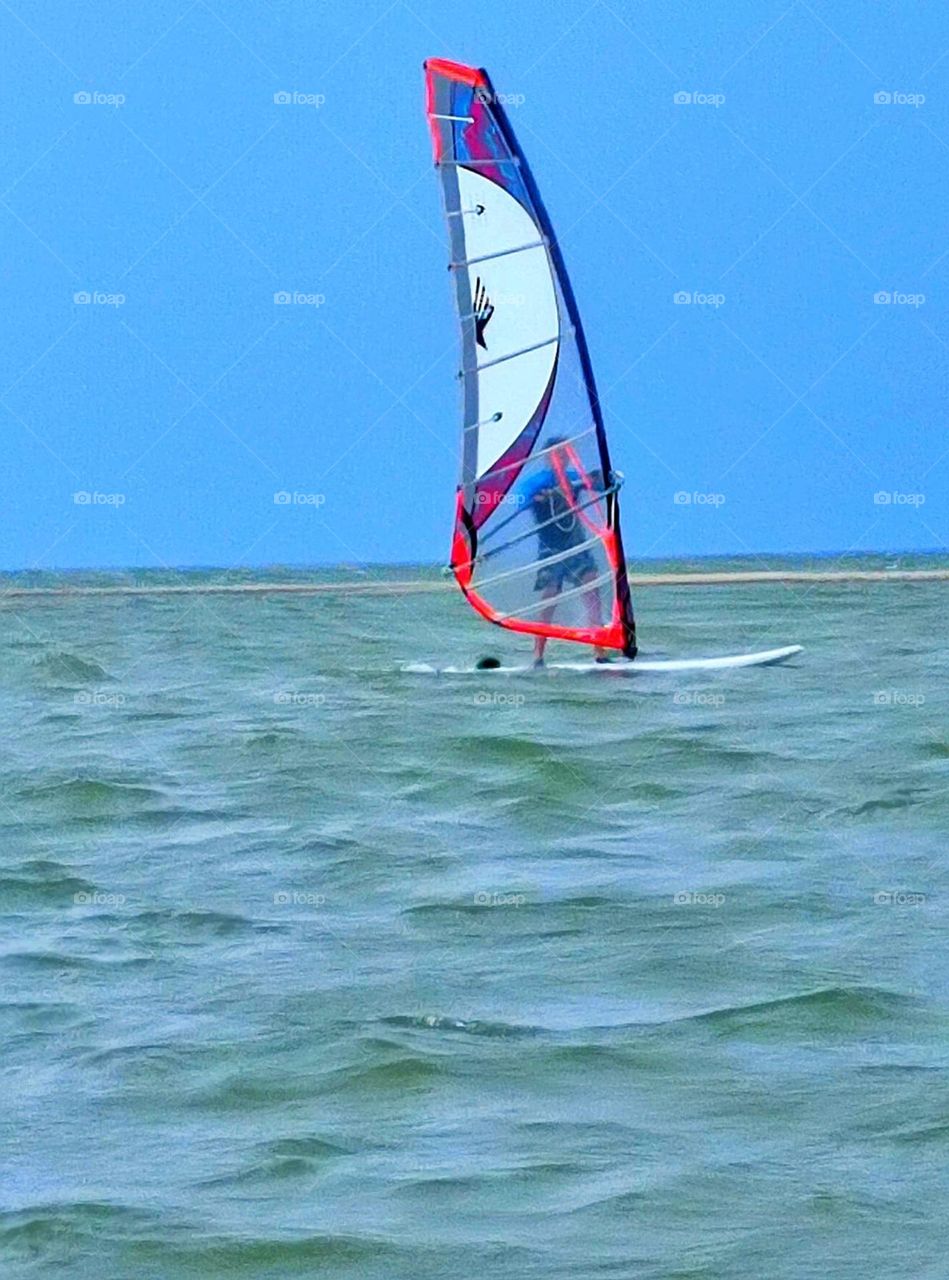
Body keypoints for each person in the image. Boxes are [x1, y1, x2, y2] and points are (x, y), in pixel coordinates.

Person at [517, 437, 612, 667]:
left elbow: (598, 485)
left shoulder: (573, 477)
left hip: (576, 544)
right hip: (551, 548)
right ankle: (538, 655)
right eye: (558, 453)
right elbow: (520, 500)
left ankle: (599, 652)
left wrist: (606, 479)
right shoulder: (536, 481)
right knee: (550, 598)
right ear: (548, 457)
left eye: (566, 453)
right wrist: (538, 498)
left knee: (592, 591)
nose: (564, 457)